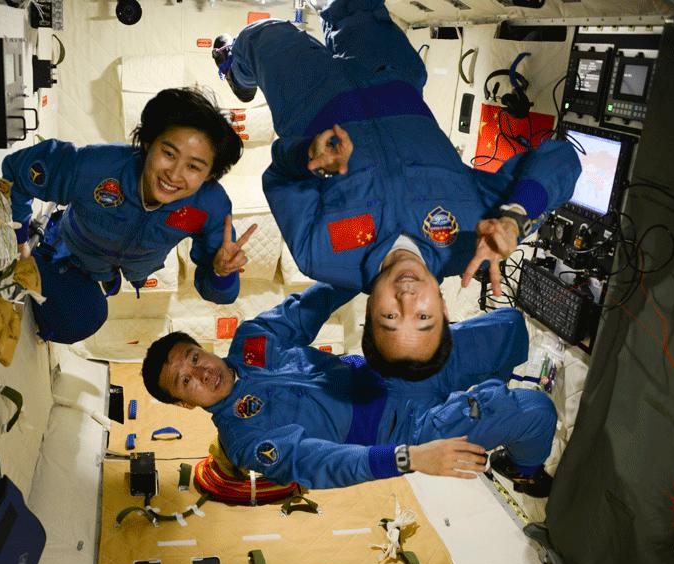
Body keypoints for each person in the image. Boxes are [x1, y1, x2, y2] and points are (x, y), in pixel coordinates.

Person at [211, 0, 582, 379]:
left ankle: (235, 69)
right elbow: (563, 157)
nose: (406, 300)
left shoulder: (322, 253)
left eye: (390, 317)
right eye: (423, 317)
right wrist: (517, 214)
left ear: (370, 313)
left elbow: (281, 179)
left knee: (264, 35)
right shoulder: (478, 236)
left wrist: (306, 153)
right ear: (442, 308)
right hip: (390, 78)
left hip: (311, 99)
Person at [142, 283, 556, 496]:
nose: (200, 374)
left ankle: (490, 400)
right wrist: (410, 457)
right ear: (182, 402)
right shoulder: (245, 440)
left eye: (193, 358)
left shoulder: (254, 340)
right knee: (537, 411)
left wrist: (366, 269)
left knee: (507, 328)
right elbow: (324, 463)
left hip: (388, 371)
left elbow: (312, 303)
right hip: (402, 432)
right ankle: (525, 471)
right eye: (185, 381)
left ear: (202, 349)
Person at [2, 87, 257, 343]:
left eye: (193, 167)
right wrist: (21, 239)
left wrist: (221, 272)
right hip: (71, 253)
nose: (175, 174)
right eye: (168, 154)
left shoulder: (209, 207)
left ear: (209, 175)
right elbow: (19, 170)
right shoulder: (99, 167)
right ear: (148, 143)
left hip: (120, 269)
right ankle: (43, 255)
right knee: (84, 317)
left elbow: (220, 295)